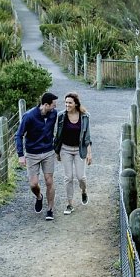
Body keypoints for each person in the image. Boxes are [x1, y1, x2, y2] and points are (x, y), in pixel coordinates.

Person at [15, 92, 59, 221]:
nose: (55, 108)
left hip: (48, 152)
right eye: (53, 105)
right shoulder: (29, 116)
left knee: (49, 181)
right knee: (33, 184)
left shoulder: (53, 114)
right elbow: (19, 135)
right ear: (45, 105)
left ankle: (50, 209)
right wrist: (20, 155)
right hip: (32, 153)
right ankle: (39, 197)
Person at [54, 92, 92, 215]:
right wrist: (57, 151)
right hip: (65, 149)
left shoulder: (84, 116)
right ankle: (69, 204)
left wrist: (89, 154)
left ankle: (84, 191)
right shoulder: (61, 116)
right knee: (68, 177)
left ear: (75, 103)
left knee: (81, 177)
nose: (67, 105)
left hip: (79, 150)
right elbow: (57, 135)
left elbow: (87, 138)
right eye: (66, 102)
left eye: (70, 102)